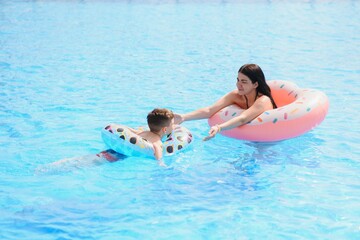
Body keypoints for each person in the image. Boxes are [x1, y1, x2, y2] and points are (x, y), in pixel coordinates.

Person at [174, 64, 277, 141]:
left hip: (266, 140)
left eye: (244, 82)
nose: (238, 85)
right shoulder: (236, 95)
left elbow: (243, 118)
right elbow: (210, 110)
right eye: (238, 80)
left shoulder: (263, 100)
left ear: (255, 84)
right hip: (245, 138)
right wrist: (184, 117)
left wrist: (219, 127)